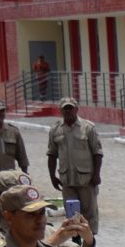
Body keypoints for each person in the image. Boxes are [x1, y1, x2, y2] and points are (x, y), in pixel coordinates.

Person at [45, 100, 106, 238]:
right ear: (61, 111)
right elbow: (51, 154)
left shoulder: (88, 128)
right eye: (65, 109)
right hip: (67, 179)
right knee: (71, 213)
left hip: (86, 179)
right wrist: (52, 176)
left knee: (89, 212)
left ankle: (90, 242)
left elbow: (97, 153)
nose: (68, 111)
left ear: (76, 109)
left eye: (70, 108)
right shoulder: (56, 130)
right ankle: (76, 242)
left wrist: (97, 174)